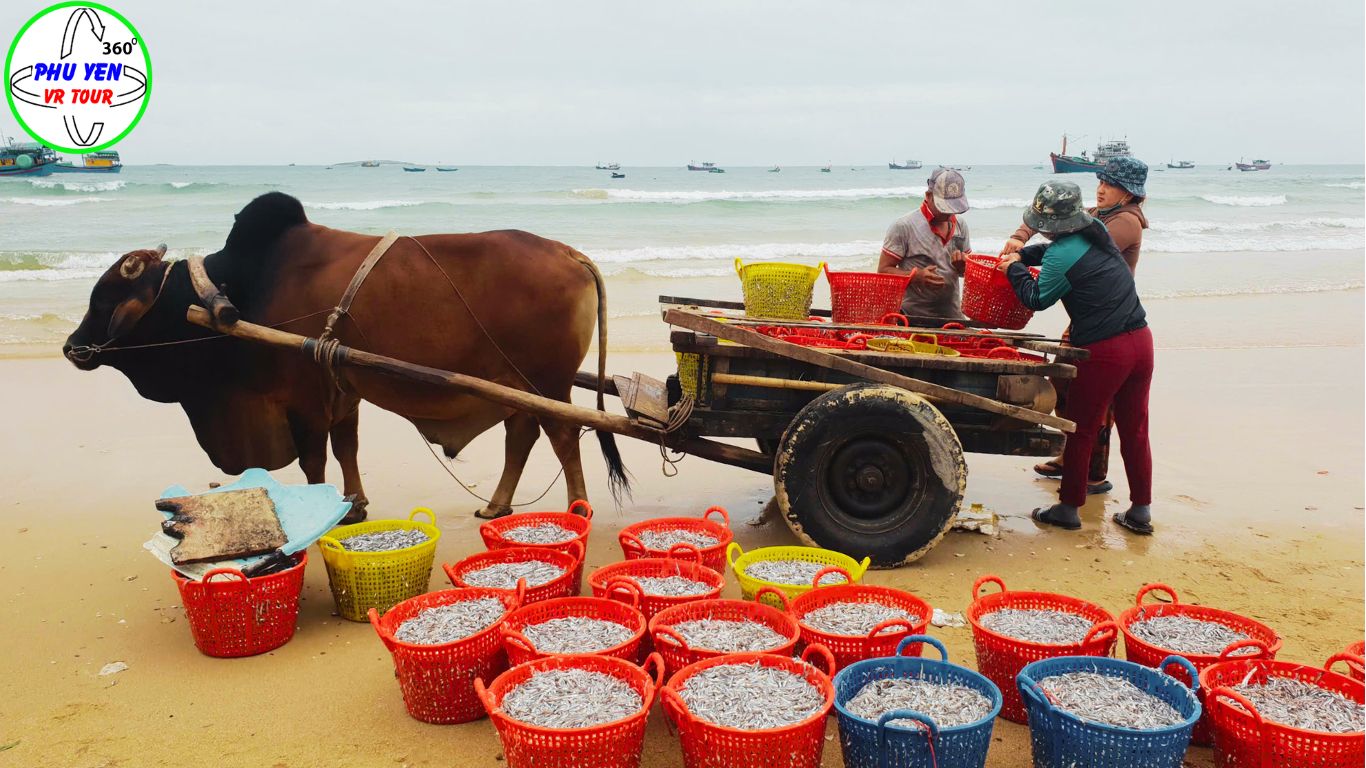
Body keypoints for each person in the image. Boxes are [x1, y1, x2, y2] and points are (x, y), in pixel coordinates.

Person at [998, 180, 1154, 534]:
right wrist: (1024, 255)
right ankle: (1140, 511)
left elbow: (1036, 298)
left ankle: (1068, 509)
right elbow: (1053, 251)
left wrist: (1013, 269)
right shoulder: (1096, 230)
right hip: (1141, 341)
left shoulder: (1061, 254)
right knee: (1135, 428)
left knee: (1082, 428)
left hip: (1106, 350)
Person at [878, 167, 971, 320]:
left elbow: (966, 273)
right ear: (929, 196)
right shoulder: (904, 226)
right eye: (944, 207)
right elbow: (883, 271)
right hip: (912, 318)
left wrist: (963, 267)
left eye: (953, 208)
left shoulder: (961, 226)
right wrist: (915, 276)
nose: (949, 213)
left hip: (952, 317)